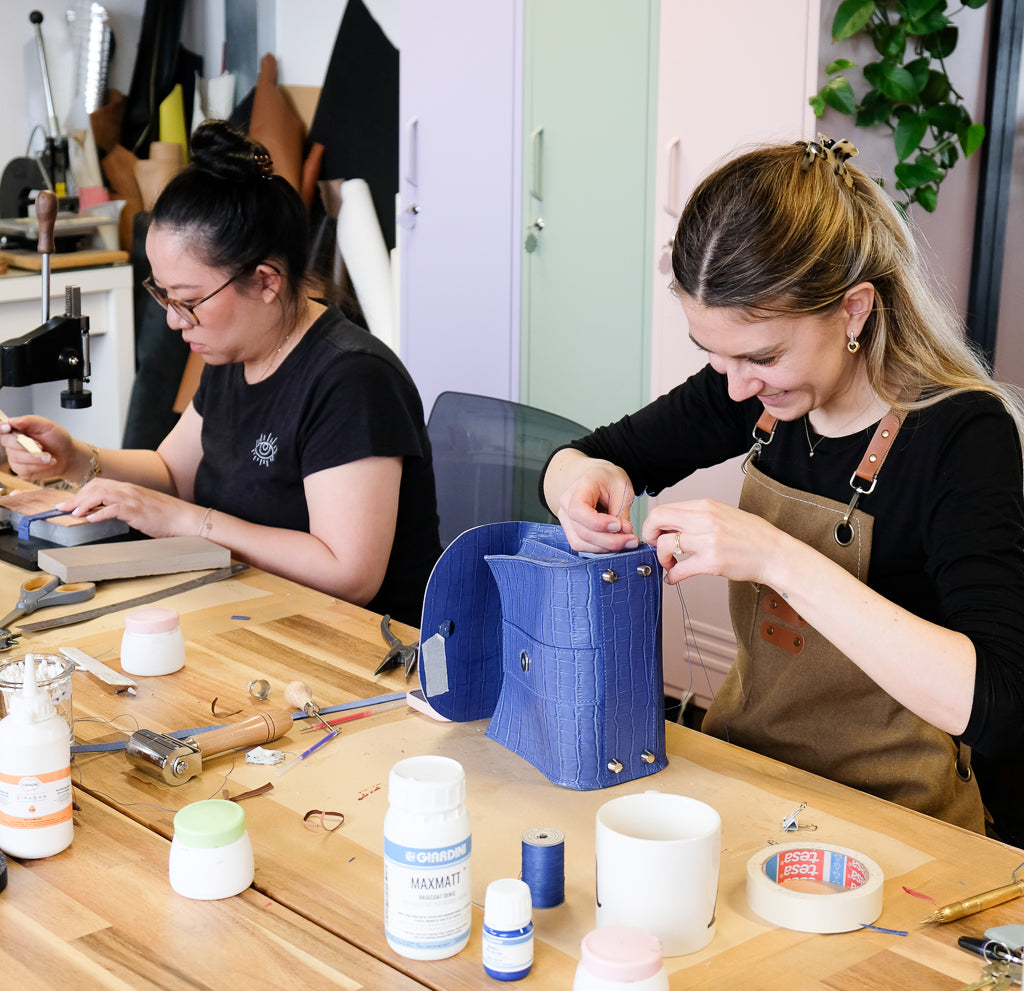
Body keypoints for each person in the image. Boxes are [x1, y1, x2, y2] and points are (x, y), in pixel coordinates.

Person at [541, 137, 1024, 837]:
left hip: (895, 821)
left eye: (761, 355)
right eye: (715, 356)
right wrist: (579, 487)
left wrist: (775, 557)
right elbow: (590, 455)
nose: (736, 385)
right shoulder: (757, 390)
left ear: (853, 311)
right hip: (753, 776)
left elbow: (1001, 703)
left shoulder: (961, 434)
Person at [0, 120, 441, 627]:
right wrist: (77, 460)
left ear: (266, 282)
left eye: (188, 301)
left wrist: (184, 522)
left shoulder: (354, 381)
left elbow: (348, 573)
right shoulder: (237, 351)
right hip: (260, 613)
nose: (173, 319)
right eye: (163, 295)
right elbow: (173, 474)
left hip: (359, 651)